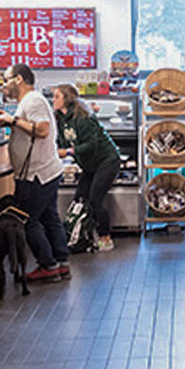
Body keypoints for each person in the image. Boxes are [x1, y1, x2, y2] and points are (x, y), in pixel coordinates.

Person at [0, 63, 71, 282]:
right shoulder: (31, 101)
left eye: (7, 79)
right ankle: (61, 262)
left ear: (19, 79)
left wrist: (12, 120)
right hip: (46, 171)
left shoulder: (33, 100)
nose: (4, 84)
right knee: (49, 217)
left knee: (28, 220)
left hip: (36, 174)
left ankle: (48, 265)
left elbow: (43, 130)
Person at [53, 83, 121, 252]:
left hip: (107, 160)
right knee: (79, 200)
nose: (52, 100)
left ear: (67, 99)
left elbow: (92, 144)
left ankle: (106, 238)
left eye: (56, 97)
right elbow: (61, 142)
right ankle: (81, 236)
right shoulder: (60, 120)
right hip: (89, 165)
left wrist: (69, 151)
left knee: (95, 200)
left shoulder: (83, 118)